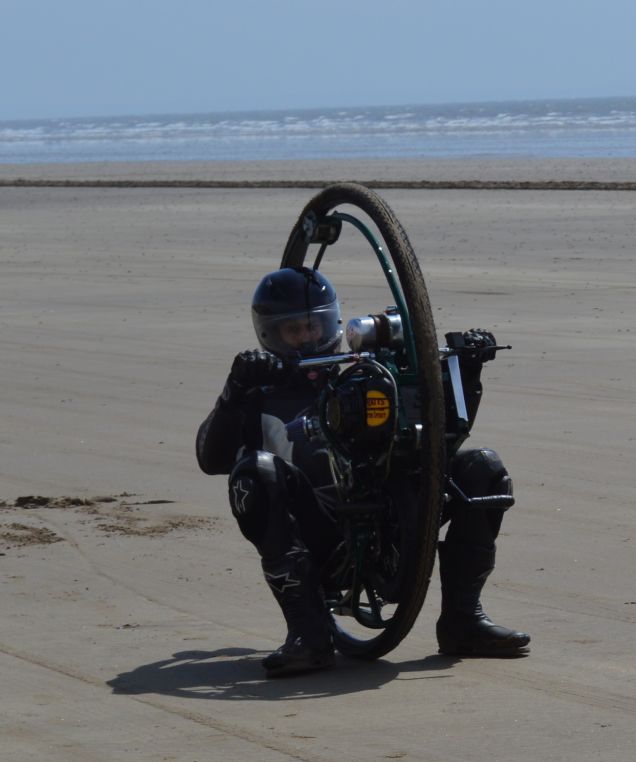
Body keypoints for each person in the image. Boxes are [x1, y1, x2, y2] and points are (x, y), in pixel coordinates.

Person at [195, 266, 530, 676]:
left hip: (387, 511)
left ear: (333, 321)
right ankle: (309, 634)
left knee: (484, 468)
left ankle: (463, 620)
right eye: (294, 331)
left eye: (316, 325)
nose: (309, 338)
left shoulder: (365, 375)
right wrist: (235, 389)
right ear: (270, 334)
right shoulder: (260, 392)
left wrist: (467, 370)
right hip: (321, 534)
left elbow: (439, 438)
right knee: (253, 474)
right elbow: (210, 459)